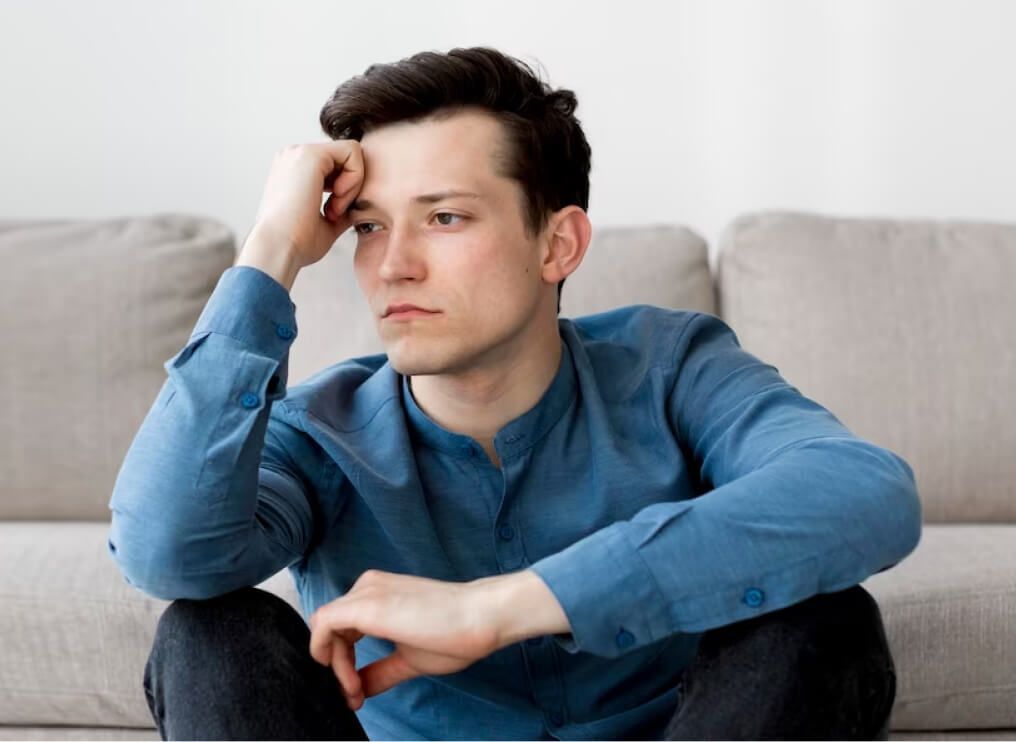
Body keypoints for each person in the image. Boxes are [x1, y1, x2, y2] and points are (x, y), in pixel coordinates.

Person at [109, 46, 920, 740]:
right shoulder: (322, 432)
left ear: (557, 243)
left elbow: (862, 491)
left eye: (446, 218)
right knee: (208, 631)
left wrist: (504, 607)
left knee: (825, 623)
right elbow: (165, 553)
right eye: (368, 226)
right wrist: (271, 249)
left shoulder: (669, 365)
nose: (393, 266)